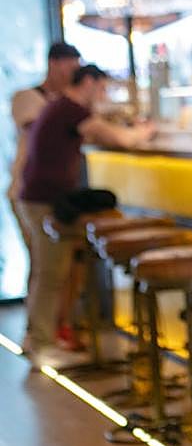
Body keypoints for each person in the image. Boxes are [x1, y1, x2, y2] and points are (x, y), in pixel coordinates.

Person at [17, 64, 154, 368]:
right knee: (51, 274)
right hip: (45, 201)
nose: (103, 95)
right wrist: (143, 132)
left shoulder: (61, 107)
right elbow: (118, 139)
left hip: (40, 198)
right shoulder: (70, 109)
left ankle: (37, 338)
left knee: (49, 272)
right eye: (102, 88)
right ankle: (41, 347)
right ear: (89, 82)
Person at [8, 42, 80, 294]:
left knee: (59, 266)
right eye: (69, 66)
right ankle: (37, 330)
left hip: (54, 193)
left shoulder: (68, 103)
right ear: (53, 63)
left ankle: (58, 326)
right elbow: (40, 130)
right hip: (26, 189)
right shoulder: (27, 97)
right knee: (43, 266)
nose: (72, 73)